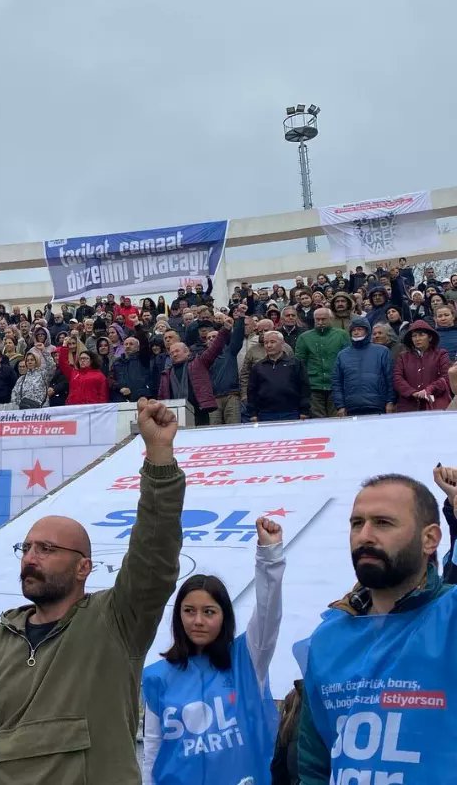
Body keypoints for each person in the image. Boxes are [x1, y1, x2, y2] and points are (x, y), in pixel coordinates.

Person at [0, 398, 185, 783]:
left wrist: (158, 457)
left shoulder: (117, 621)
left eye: (46, 549)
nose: (30, 558)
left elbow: (154, 555)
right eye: (26, 548)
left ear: (83, 567)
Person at [298, 474, 452, 784]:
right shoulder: (328, 637)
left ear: (430, 539)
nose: (364, 535)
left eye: (382, 523)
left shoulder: (450, 616)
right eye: (357, 523)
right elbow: (314, 766)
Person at [141, 517, 285, 784]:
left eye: (209, 612)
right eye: (189, 611)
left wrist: (270, 556)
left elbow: (269, 612)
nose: (197, 620)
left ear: (224, 616)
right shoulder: (156, 677)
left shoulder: (248, 660)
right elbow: (152, 752)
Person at [332, 316, 396, 417]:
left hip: (378, 406)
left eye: (360, 329)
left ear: (367, 331)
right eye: (353, 330)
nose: (356, 332)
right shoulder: (342, 355)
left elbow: (390, 378)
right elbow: (337, 382)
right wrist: (340, 405)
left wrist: (390, 401)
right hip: (351, 407)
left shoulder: (382, 351)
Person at [294, 307, 351, 418]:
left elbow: (347, 360)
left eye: (323, 319)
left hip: (335, 385)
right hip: (313, 385)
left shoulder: (342, 335)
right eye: (317, 319)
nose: (320, 322)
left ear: (331, 319)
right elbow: (300, 363)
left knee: (337, 419)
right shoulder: (304, 337)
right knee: (318, 420)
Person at [247, 331, 311, 421]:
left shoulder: (295, 364)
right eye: (266, 343)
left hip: (292, 412)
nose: (269, 345)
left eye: (272, 342)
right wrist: (253, 413)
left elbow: (304, 388)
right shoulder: (258, 367)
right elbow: (252, 391)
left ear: (282, 343)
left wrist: (304, 411)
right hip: (265, 414)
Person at [394, 319, 452, 411]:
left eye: (421, 335)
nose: (417, 339)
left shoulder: (441, 354)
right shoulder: (403, 357)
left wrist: (429, 390)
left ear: (430, 337)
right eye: (414, 336)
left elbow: (446, 377)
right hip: (409, 406)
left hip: (435, 404)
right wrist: (412, 392)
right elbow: (397, 378)